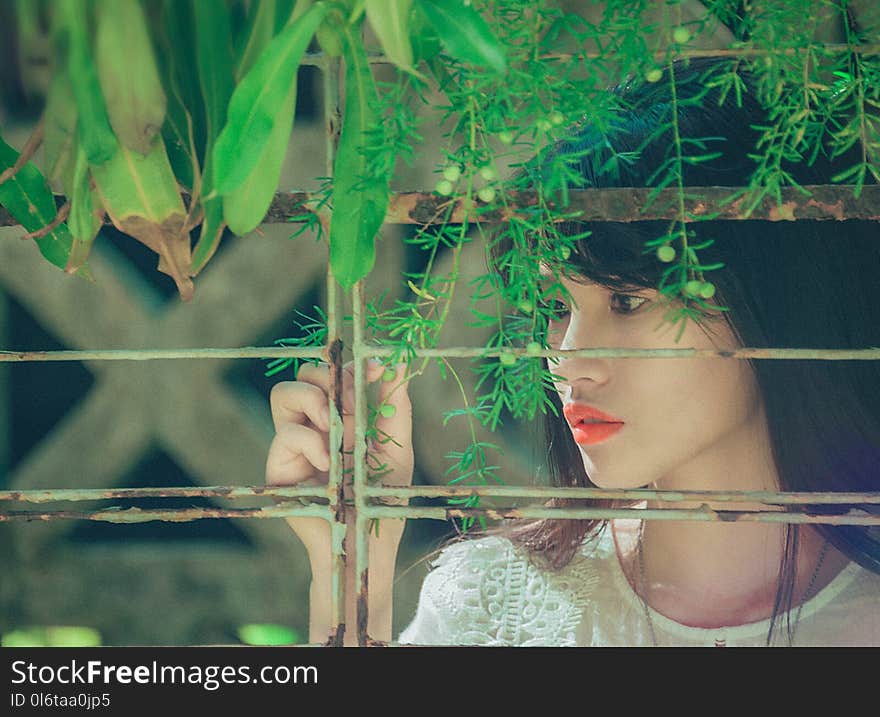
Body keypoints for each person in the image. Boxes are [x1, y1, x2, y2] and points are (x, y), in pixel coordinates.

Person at [265, 57, 880, 646]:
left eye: (627, 301)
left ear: (772, 300)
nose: (566, 358)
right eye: (558, 307)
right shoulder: (492, 603)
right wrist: (349, 576)